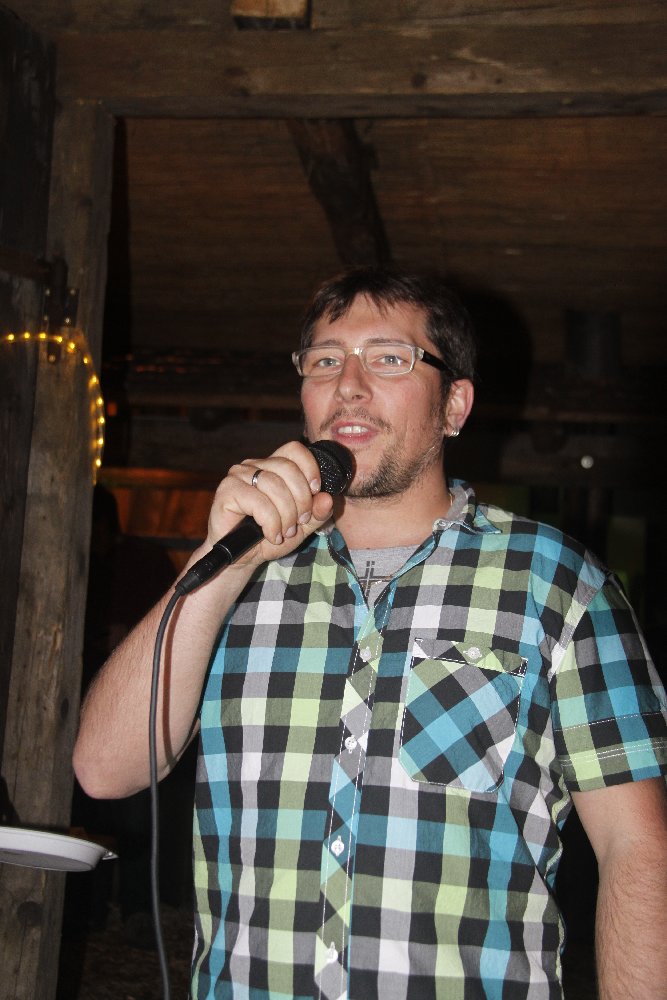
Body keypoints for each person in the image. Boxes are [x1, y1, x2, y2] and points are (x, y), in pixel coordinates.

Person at [73, 267, 667, 1000]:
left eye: (389, 358)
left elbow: (637, 848)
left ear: (454, 405)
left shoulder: (557, 583)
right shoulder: (239, 575)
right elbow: (104, 770)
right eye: (325, 360)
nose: (348, 384)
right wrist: (221, 564)